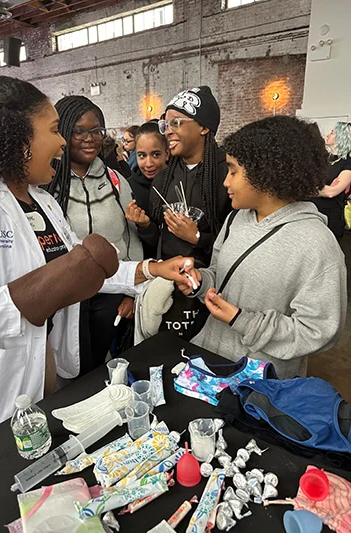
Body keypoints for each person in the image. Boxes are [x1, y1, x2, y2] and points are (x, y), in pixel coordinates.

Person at [0, 76, 121, 445]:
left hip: (46, 364)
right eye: (55, 130)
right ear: (16, 136)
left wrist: (150, 270)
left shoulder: (43, 201)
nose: (63, 142)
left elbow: (80, 269)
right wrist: (33, 298)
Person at [158, 115, 347, 379]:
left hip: (260, 386)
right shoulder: (237, 218)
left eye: (233, 171)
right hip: (210, 364)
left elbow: (318, 331)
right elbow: (220, 275)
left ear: (265, 174)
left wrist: (242, 320)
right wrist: (200, 282)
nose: (226, 182)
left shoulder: (317, 245)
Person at [46, 96, 143, 373]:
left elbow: (131, 237)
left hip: (112, 296)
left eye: (96, 131)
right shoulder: (46, 187)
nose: (89, 139)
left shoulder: (116, 181)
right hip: (68, 300)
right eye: (79, 131)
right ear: (64, 133)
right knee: (69, 368)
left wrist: (132, 293)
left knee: (101, 363)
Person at [126, 86, 231, 339]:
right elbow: (158, 241)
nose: (168, 131)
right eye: (165, 124)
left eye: (176, 123)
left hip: (212, 290)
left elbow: (237, 243)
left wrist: (196, 237)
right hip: (168, 289)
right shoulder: (163, 179)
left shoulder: (228, 172)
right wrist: (145, 227)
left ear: (204, 127)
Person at [128, 120, 169, 257]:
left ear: (167, 154)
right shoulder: (128, 187)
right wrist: (144, 226)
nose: (148, 163)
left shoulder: (178, 185)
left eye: (156, 154)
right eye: (142, 155)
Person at [312, 122, 351, 240]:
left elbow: (331, 192)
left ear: (342, 137)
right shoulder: (323, 159)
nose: (328, 135)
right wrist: (323, 188)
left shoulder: (348, 163)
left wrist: (309, 188)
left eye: (332, 133)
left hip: (330, 217)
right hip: (312, 212)